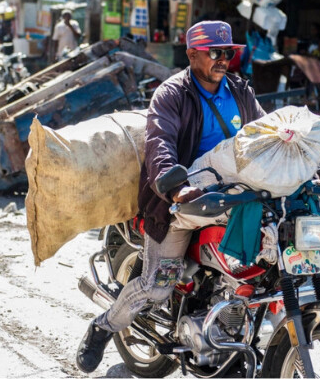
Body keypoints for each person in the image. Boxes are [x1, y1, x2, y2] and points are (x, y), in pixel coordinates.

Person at [74, 20, 266, 374]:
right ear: (192, 54)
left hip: (235, 196)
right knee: (157, 287)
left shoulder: (240, 90)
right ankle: (103, 326)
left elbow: (265, 135)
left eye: (228, 52)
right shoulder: (172, 94)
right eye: (215, 52)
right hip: (180, 200)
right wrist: (176, 186)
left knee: (270, 264)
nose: (224, 59)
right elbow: (159, 146)